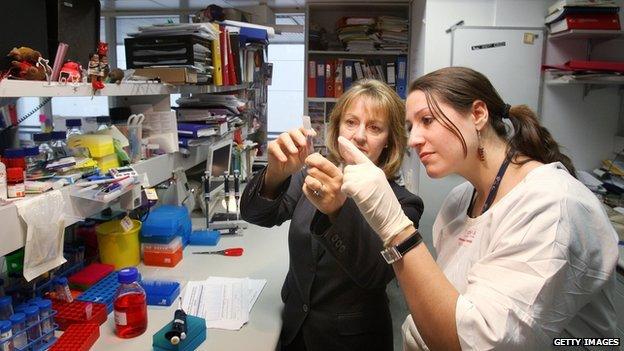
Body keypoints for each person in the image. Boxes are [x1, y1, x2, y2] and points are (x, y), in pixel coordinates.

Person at [338, 67, 619, 350]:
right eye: (411, 127)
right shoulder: (460, 201)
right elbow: (454, 301)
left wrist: (396, 228)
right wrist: (428, 323)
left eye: (427, 120)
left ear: (478, 115)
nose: (413, 140)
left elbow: (482, 342)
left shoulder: (554, 206)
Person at [240, 79, 424, 351]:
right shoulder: (312, 177)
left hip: (351, 341)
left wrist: (338, 208)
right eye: (351, 122)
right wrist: (275, 173)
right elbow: (256, 214)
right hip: (293, 329)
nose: (359, 135)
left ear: (388, 141)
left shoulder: (404, 203)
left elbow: (375, 275)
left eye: (374, 127)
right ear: (336, 128)